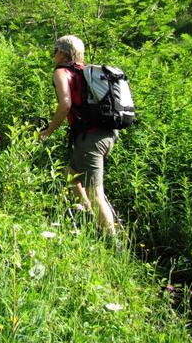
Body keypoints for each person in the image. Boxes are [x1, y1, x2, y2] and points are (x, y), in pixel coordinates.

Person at [39, 35, 118, 236]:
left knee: (95, 192)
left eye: (55, 50)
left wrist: (48, 131)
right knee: (71, 174)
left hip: (90, 139)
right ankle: (89, 215)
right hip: (108, 134)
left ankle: (113, 241)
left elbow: (65, 104)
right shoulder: (88, 71)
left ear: (63, 52)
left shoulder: (62, 72)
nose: (53, 55)